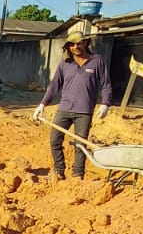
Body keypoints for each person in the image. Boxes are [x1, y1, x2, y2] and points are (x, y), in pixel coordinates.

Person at [32, 30, 114, 181]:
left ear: (85, 43)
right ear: (68, 47)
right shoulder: (65, 64)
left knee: (80, 145)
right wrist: (42, 104)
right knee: (55, 140)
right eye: (72, 44)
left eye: (79, 43)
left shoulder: (97, 61)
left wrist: (106, 103)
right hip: (64, 109)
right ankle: (59, 171)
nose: (76, 47)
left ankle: (78, 175)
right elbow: (54, 86)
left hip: (84, 112)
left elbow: (106, 84)